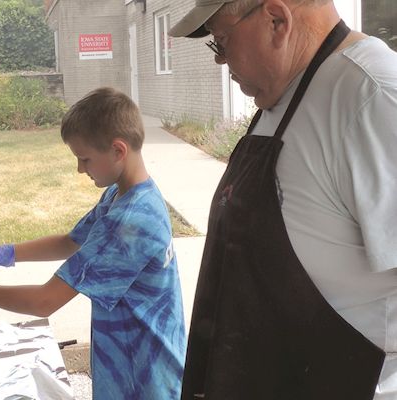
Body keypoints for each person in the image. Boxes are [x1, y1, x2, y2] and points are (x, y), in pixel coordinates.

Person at [169, 0, 397, 399]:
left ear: (276, 20)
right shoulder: (284, 94)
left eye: (220, 40)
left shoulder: (370, 96)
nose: (220, 61)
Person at [0, 87, 186, 399]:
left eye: (84, 159)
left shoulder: (130, 221)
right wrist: (1, 253)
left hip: (144, 377)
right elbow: (70, 242)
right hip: (135, 360)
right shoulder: (127, 195)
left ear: (118, 150)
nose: (79, 169)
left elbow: (46, 301)